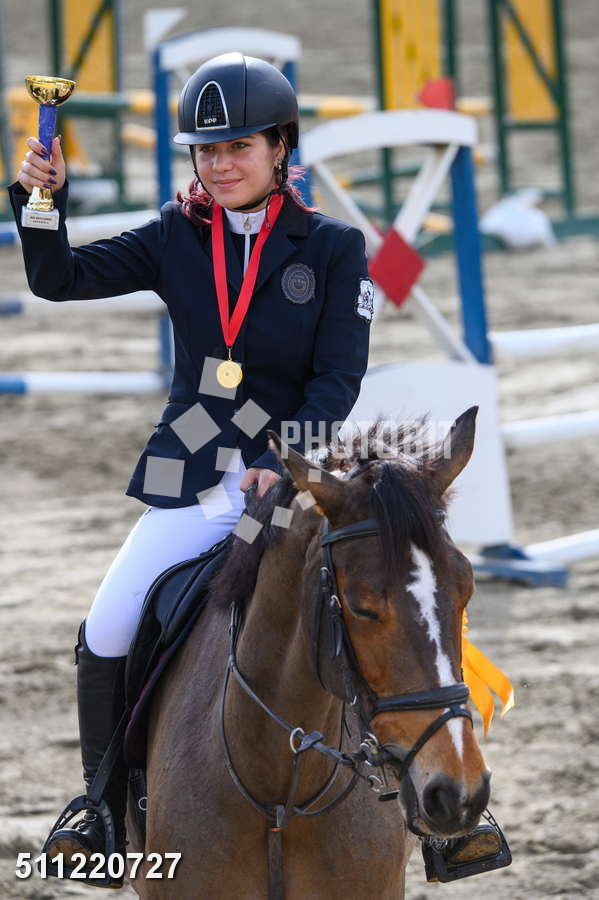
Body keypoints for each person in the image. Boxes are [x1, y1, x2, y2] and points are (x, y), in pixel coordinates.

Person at [8, 51, 504, 889]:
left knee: (396, 597)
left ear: (280, 148)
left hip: (294, 481)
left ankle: (448, 817)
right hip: (193, 470)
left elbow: (337, 377)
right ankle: (99, 809)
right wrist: (42, 200)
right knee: (107, 626)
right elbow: (57, 280)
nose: (220, 164)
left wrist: (287, 464)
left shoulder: (335, 248)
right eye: (206, 150)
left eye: (238, 146)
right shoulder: (173, 236)